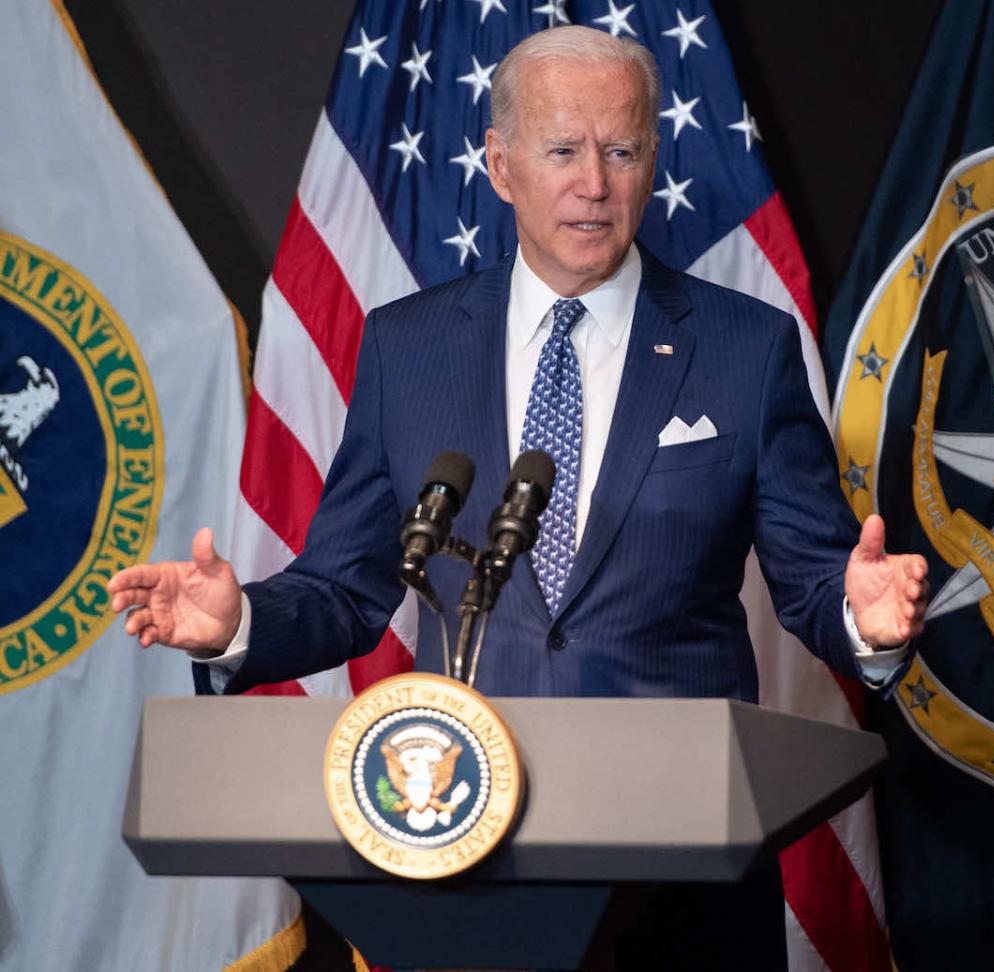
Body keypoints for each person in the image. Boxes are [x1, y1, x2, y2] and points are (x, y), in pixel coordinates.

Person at [107, 25, 928, 703]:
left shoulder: (748, 347)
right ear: (501, 167)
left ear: (652, 163)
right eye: (564, 151)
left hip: (684, 848)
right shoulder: (407, 348)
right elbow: (347, 591)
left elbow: (817, 579)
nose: (595, 186)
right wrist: (236, 624)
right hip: (465, 822)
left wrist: (864, 618)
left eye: (622, 151)